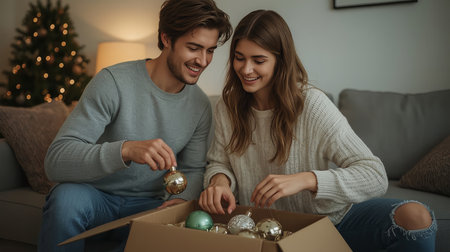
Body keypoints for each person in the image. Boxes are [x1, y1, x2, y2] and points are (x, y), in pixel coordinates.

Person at [199, 10, 437, 251]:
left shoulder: (312, 104)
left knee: (416, 217)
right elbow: (219, 162)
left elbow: (375, 176)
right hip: (263, 230)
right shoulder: (227, 106)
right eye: (239, 58)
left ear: (281, 61)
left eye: (258, 61)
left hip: (331, 222)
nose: (246, 69)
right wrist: (220, 181)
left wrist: (307, 180)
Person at [38, 0, 232, 251]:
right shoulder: (113, 82)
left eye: (210, 50)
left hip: (149, 206)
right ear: (166, 38)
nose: (203, 61)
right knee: (65, 199)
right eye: (194, 48)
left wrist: (180, 199)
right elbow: (55, 161)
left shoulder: (200, 106)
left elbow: (194, 169)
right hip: (94, 196)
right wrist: (125, 150)